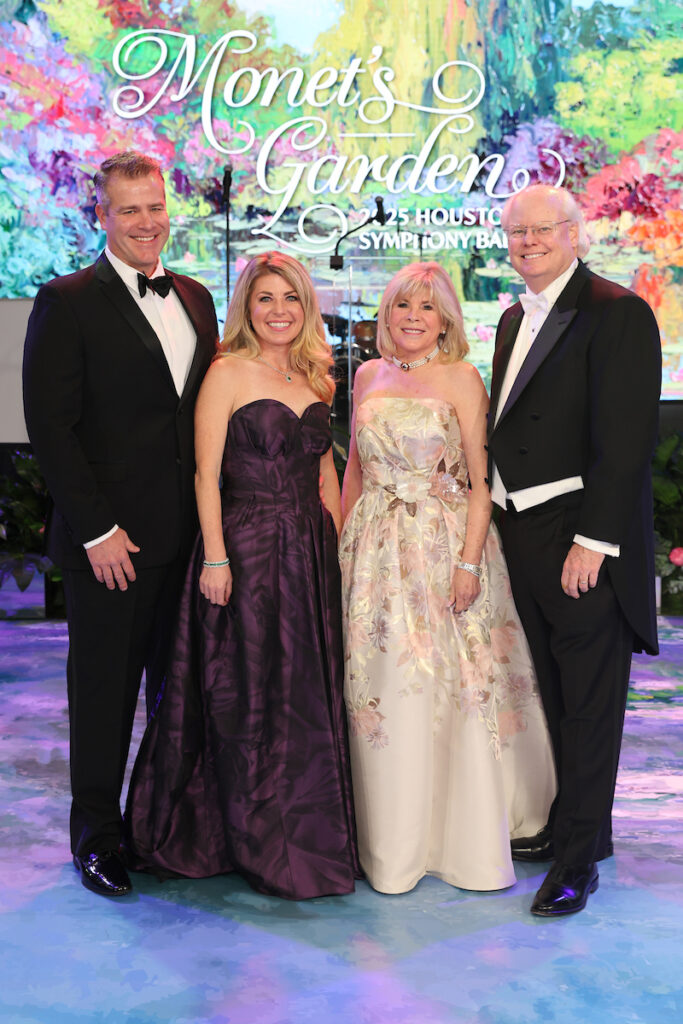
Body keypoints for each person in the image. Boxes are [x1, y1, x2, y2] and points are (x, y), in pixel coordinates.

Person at [124, 252, 361, 900]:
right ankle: (244, 835)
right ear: (246, 309)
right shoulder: (226, 371)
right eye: (265, 299)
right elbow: (206, 474)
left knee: (302, 694)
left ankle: (305, 831)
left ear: (305, 306)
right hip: (248, 548)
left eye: (290, 297)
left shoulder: (317, 373)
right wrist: (217, 557)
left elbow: (324, 473)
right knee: (245, 690)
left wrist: (335, 547)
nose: (278, 309)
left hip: (308, 549)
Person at [22, 151, 218, 897]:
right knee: (104, 697)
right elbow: (52, 428)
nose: (145, 221)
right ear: (101, 215)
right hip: (111, 547)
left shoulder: (197, 298)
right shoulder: (66, 301)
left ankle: (161, 828)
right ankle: (96, 838)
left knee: (179, 698)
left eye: (154, 205)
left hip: (189, 543)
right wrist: (98, 530)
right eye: (128, 209)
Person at [339, 262, 555, 895]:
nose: (412, 317)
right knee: (381, 692)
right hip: (374, 551)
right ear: (388, 312)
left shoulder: (463, 377)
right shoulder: (363, 376)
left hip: (442, 546)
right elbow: (353, 469)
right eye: (403, 304)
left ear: (446, 319)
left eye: (427, 308)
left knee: (446, 687)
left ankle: (456, 837)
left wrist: (467, 564)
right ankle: (391, 838)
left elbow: (481, 486)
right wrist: (341, 552)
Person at [488, 184, 662, 916]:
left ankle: (575, 862)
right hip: (518, 531)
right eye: (515, 232)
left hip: (577, 534)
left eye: (541, 231)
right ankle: (574, 828)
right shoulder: (506, 318)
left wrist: (594, 542)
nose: (527, 242)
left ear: (574, 235)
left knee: (589, 704)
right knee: (555, 695)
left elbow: (623, 444)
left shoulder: (616, 312)